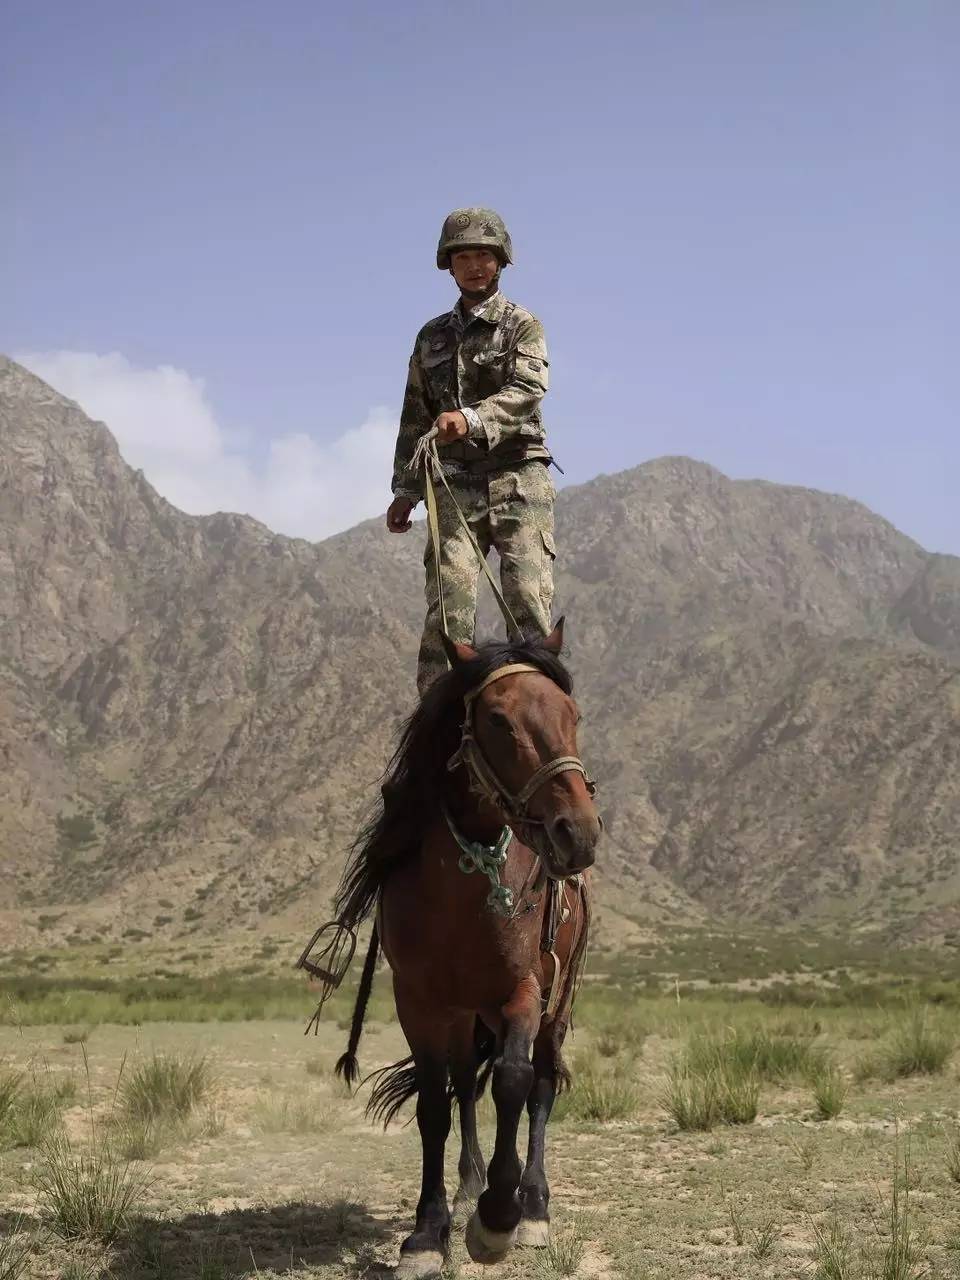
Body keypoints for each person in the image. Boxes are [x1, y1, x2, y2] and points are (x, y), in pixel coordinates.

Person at [386, 207, 557, 696]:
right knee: (448, 607)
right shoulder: (430, 338)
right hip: (453, 484)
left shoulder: (523, 326)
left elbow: (528, 389)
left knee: (527, 603)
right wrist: (405, 488)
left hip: (519, 479)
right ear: (449, 265)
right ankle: (438, 726)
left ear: (500, 260)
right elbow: (415, 414)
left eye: (484, 255)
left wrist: (472, 418)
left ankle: (535, 721)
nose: (475, 265)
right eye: (464, 257)